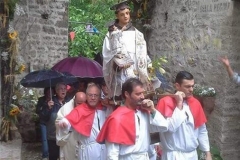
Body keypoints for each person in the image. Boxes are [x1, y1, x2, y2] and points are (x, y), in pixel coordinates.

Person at [97, 78, 168, 160]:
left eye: (143, 93)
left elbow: (163, 126)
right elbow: (112, 152)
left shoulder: (144, 112)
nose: (142, 97)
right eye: (138, 94)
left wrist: (152, 110)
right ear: (127, 94)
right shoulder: (116, 117)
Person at [102, 1, 161, 99]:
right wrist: (115, 63)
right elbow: (107, 54)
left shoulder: (138, 34)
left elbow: (143, 54)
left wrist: (149, 67)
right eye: (122, 14)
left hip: (137, 71)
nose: (125, 16)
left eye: (127, 13)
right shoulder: (111, 35)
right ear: (117, 16)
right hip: (120, 72)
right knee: (124, 95)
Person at [156, 71, 212, 160]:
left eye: (192, 86)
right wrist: (179, 104)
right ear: (177, 86)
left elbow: (201, 130)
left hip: (192, 155)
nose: (191, 90)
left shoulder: (195, 103)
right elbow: (170, 128)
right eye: (187, 86)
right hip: (173, 155)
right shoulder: (165, 102)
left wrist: (207, 152)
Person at [57, 83, 109, 160]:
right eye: (90, 95)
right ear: (86, 96)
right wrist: (64, 123)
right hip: (88, 151)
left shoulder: (104, 108)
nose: (93, 97)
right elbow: (69, 120)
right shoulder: (81, 109)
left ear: (99, 96)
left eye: (96, 95)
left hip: (104, 150)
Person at [56, 92, 87, 160]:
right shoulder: (65, 109)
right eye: (79, 103)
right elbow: (58, 122)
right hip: (69, 140)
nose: (81, 106)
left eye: (83, 103)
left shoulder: (88, 108)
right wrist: (65, 126)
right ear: (74, 100)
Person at [43, 83, 69, 160]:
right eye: (61, 89)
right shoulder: (50, 102)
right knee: (53, 156)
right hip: (53, 136)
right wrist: (48, 108)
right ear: (56, 91)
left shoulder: (69, 101)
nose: (63, 90)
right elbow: (43, 118)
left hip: (66, 136)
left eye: (65, 88)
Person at [36, 87, 54, 160]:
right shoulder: (41, 100)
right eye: (48, 92)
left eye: (52, 92)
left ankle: (53, 153)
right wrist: (46, 105)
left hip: (51, 122)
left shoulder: (54, 100)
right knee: (44, 139)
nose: (50, 93)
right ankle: (45, 155)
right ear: (45, 92)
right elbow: (37, 110)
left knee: (52, 139)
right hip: (43, 122)